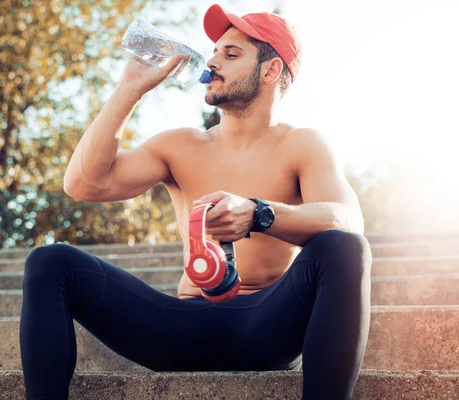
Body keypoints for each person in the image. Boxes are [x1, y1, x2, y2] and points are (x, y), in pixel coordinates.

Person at [19, 4, 372, 400]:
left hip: (267, 325)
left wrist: (260, 213)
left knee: (344, 246)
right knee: (50, 262)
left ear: (271, 71)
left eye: (231, 54)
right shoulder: (180, 144)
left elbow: (346, 220)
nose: (213, 60)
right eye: (215, 51)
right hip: (179, 326)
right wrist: (129, 88)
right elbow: (84, 183)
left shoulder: (303, 144)